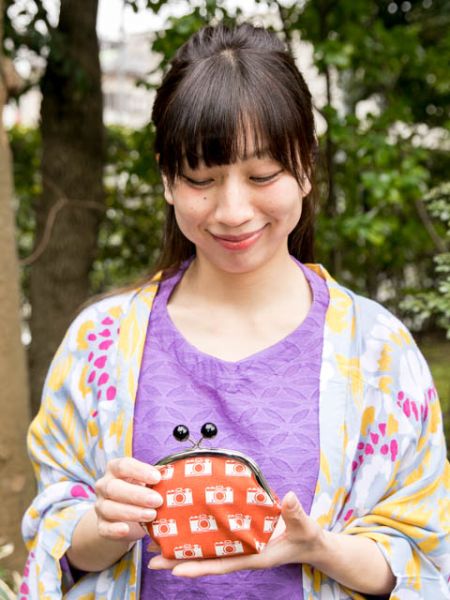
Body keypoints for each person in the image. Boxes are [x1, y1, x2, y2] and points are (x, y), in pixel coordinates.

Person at [20, 22, 449, 600]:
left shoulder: (380, 351)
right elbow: (55, 535)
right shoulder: (98, 341)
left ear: (306, 166)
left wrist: (320, 548)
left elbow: (423, 552)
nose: (232, 210)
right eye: (202, 179)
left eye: (262, 175)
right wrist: (106, 525)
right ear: (167, 178)